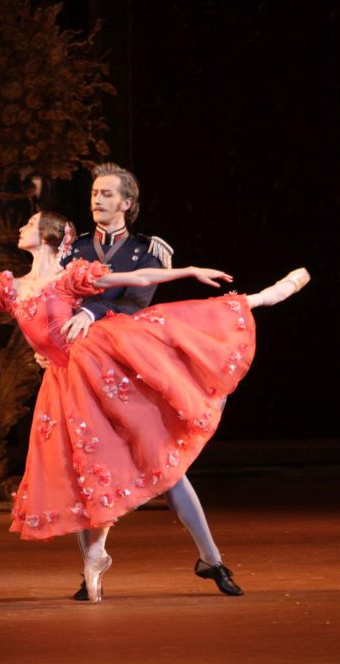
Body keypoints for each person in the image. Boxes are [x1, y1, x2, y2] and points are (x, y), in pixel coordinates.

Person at [0, 210, 309, 603]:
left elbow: (136, 278)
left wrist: (187, 270)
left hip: (105, 362)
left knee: (166, 434)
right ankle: (94, 561)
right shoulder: (9, 287)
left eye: (30, 224)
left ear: (48, 237)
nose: (21, 229)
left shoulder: (71, 277)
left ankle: (256, 299)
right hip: (66, 384)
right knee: (83, 468)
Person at [55, 163, 242, 601]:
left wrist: (90, 312)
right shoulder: (73, 249)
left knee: (167, 467)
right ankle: (90, 571)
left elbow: (135, 303)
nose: (97, 200)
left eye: (106, 194)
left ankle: (210, 559)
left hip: (128, 370)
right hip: (83, 373)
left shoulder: (149, 251)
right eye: (94, 193)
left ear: (127, 203)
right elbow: (55, 301)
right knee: (88, 467)